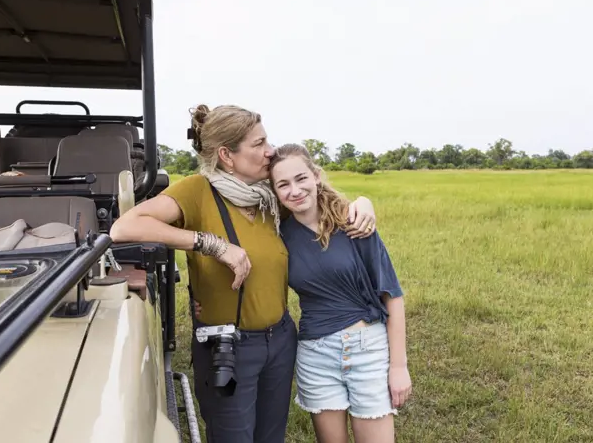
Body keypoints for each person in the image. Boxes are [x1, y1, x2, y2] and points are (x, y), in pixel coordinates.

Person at [109, 104, 377, 443]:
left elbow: (324, 201)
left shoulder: (270, 198)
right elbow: (124, 227)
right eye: (259, 143)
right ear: (227, 155)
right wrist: (212, 245)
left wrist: (363, 202)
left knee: (271, 436)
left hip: (280, 340)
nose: (271, 151)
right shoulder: (197, 191)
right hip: (228, 347)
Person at [268, 143, 411, 443]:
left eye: (301, 178)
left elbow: (392, 296)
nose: (294, 190)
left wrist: (399, 367)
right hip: (316, 355)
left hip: (368, 351)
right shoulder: (279, 236)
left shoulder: (354, 222)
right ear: (275, 191)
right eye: (283, 184)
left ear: (316, 176)